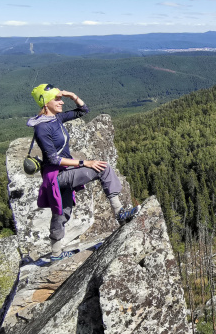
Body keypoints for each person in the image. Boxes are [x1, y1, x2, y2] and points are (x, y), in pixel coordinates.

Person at [28, 83, 139, 262]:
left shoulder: (56, 118)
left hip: (63, 172)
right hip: (56, 176)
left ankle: (55, 254)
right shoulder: (42, 127)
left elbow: (83, 110)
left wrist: (71, 95)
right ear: (45, 102)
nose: (61, 102)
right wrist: (84, 162)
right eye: (56, 99)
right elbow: (53, 159)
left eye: (61, 99)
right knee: (103, 168)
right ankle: (120, 213)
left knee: (62, 211)